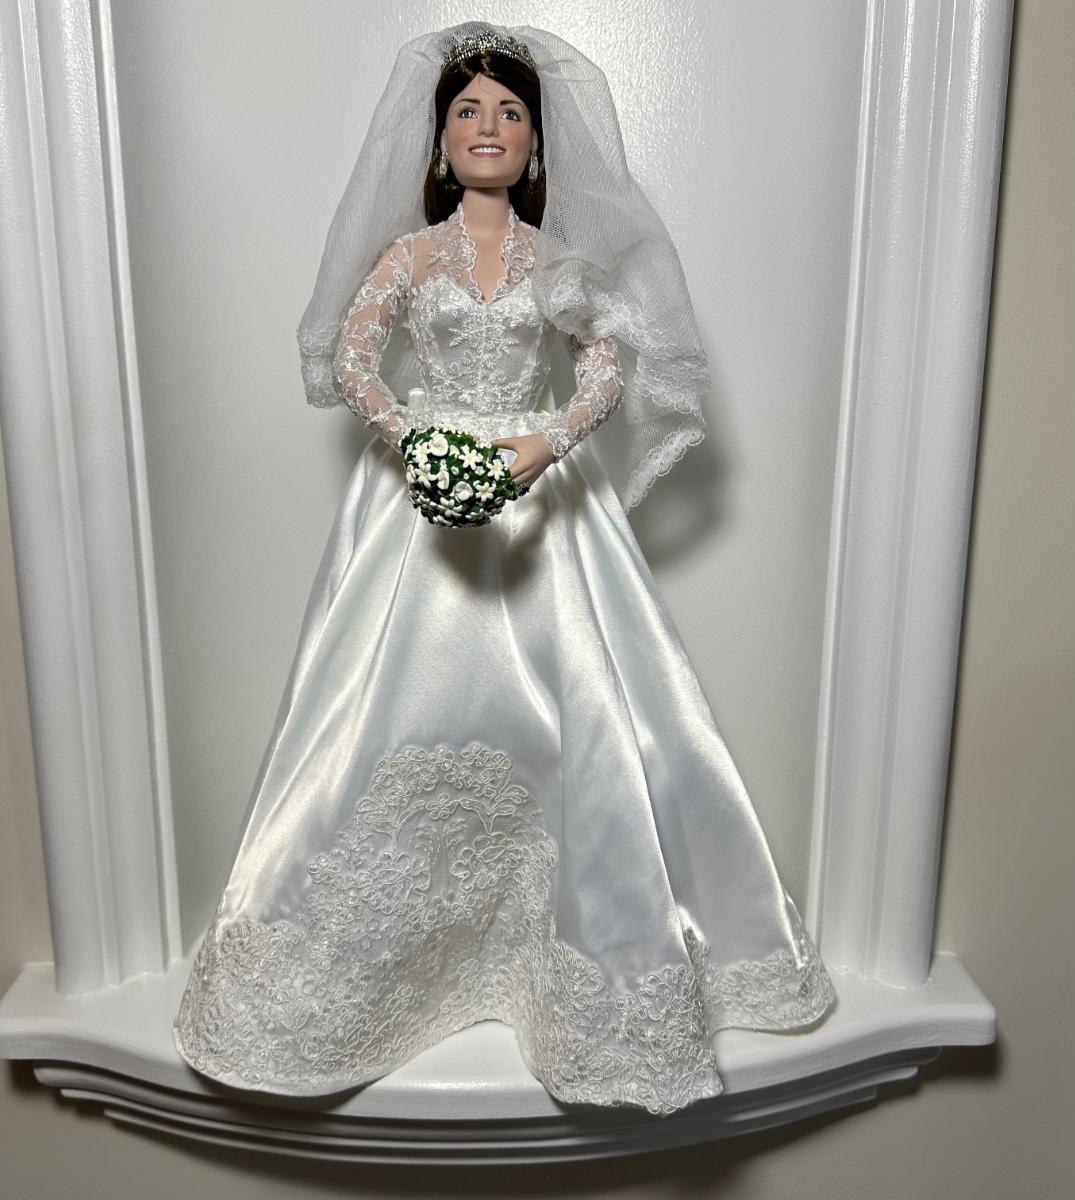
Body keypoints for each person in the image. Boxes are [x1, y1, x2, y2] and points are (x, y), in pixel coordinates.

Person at [172, 20, 837, 1117]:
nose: (489, 127)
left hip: (541, 498)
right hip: (419, 506)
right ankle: (378, 969)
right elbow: (351, 359)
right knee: (375, 711)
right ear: (440, 140)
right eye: (469, 110)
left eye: (511, 113)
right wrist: (413, 439)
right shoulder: (409, 257)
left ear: (534, 145)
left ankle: (581, 969)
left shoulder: (559, 264)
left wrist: (545, 443)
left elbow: (606, 367)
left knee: (586, 713)